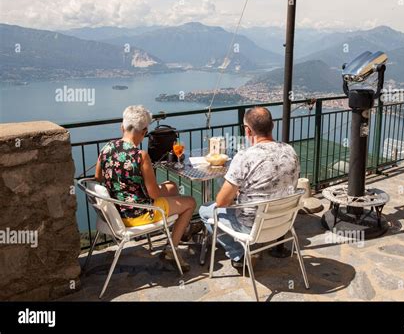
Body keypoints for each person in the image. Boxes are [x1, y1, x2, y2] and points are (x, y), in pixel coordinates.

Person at [95, 105, 196, 272]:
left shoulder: (107, 148)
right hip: (137, 214)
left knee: (172, 187)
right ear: (143, 132)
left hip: (115, 210)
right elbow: (154, 194)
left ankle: (176, 232)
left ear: (122, 127)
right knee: (190, 202)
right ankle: (171, 249)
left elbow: (98, 177)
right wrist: (159, 188)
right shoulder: (140, 156)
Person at [199, 107, 300, 269]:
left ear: (248, 130)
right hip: (283, 222)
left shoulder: (245, 156)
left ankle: (238, 254)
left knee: (205, 210)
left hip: (252, 226)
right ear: (272, 126)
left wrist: (235, 196)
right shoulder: (290, 150)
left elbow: (221, 202)